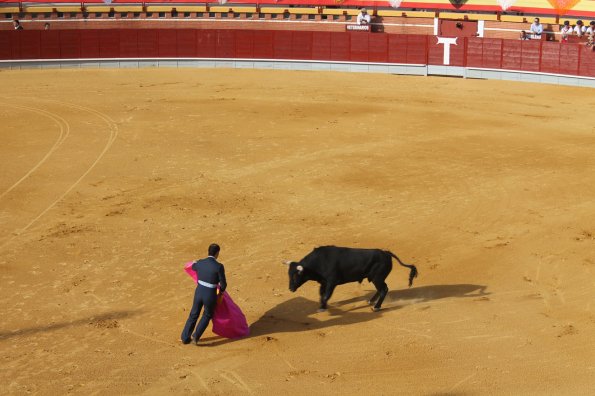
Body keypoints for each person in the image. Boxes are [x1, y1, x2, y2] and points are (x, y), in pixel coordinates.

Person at [181, 243, 227, 345]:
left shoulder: (200, 263)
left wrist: (195, 262)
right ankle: (195, 336)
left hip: (199, 292)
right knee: (207, 315)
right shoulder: (219, 266)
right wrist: (221, 292)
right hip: (210, 294)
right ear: (217, 253)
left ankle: (185, 337)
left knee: (194, 314)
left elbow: (192, 266)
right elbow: (223, 284)